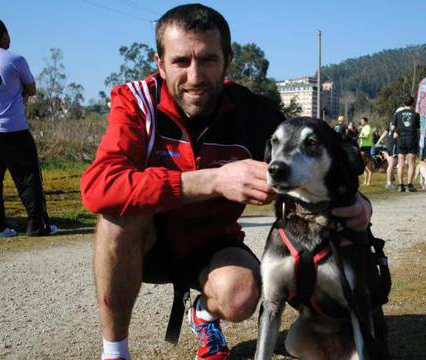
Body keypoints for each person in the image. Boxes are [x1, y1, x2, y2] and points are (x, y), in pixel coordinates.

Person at [79, 4, 373, 360]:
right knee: (116, 217)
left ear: (227, 60)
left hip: (213, 244)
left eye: (208, 60)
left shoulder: (256, 113)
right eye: (180, 62)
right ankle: (115, 352)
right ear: (159, 63)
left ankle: (204, 313)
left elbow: (317, 153)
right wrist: (213, 180)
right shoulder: (136, 102)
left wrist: (359, 203)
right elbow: (99, 187)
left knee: (242, 294)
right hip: (147, 242)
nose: (195, 75)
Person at [0, 19, 57, 238]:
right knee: (28, 176)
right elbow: (32, 87)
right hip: (13, 127)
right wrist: (23, 93)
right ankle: (36, 225)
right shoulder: (15, 59)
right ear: (3, 35)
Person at [391, 95, 420, 192]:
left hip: (401, 139)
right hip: (412, 139)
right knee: (411, 163)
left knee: (401, 163)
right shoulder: (416, 115)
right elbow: (418, 130)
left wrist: (396, 131)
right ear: (413, 104)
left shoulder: (398, 114)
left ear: (403, 104)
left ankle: (400, 185)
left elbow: (392, 127)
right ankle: (409, 185)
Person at [375, 122, 398, 189]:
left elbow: (385, 133)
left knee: (393, 164)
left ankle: (391, 181)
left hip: (389, 144)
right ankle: (389, 183)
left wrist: (378, 141)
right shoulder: (396, 122)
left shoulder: (391, 122)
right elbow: (394, 135)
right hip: (392, 145)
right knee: (391, 164)